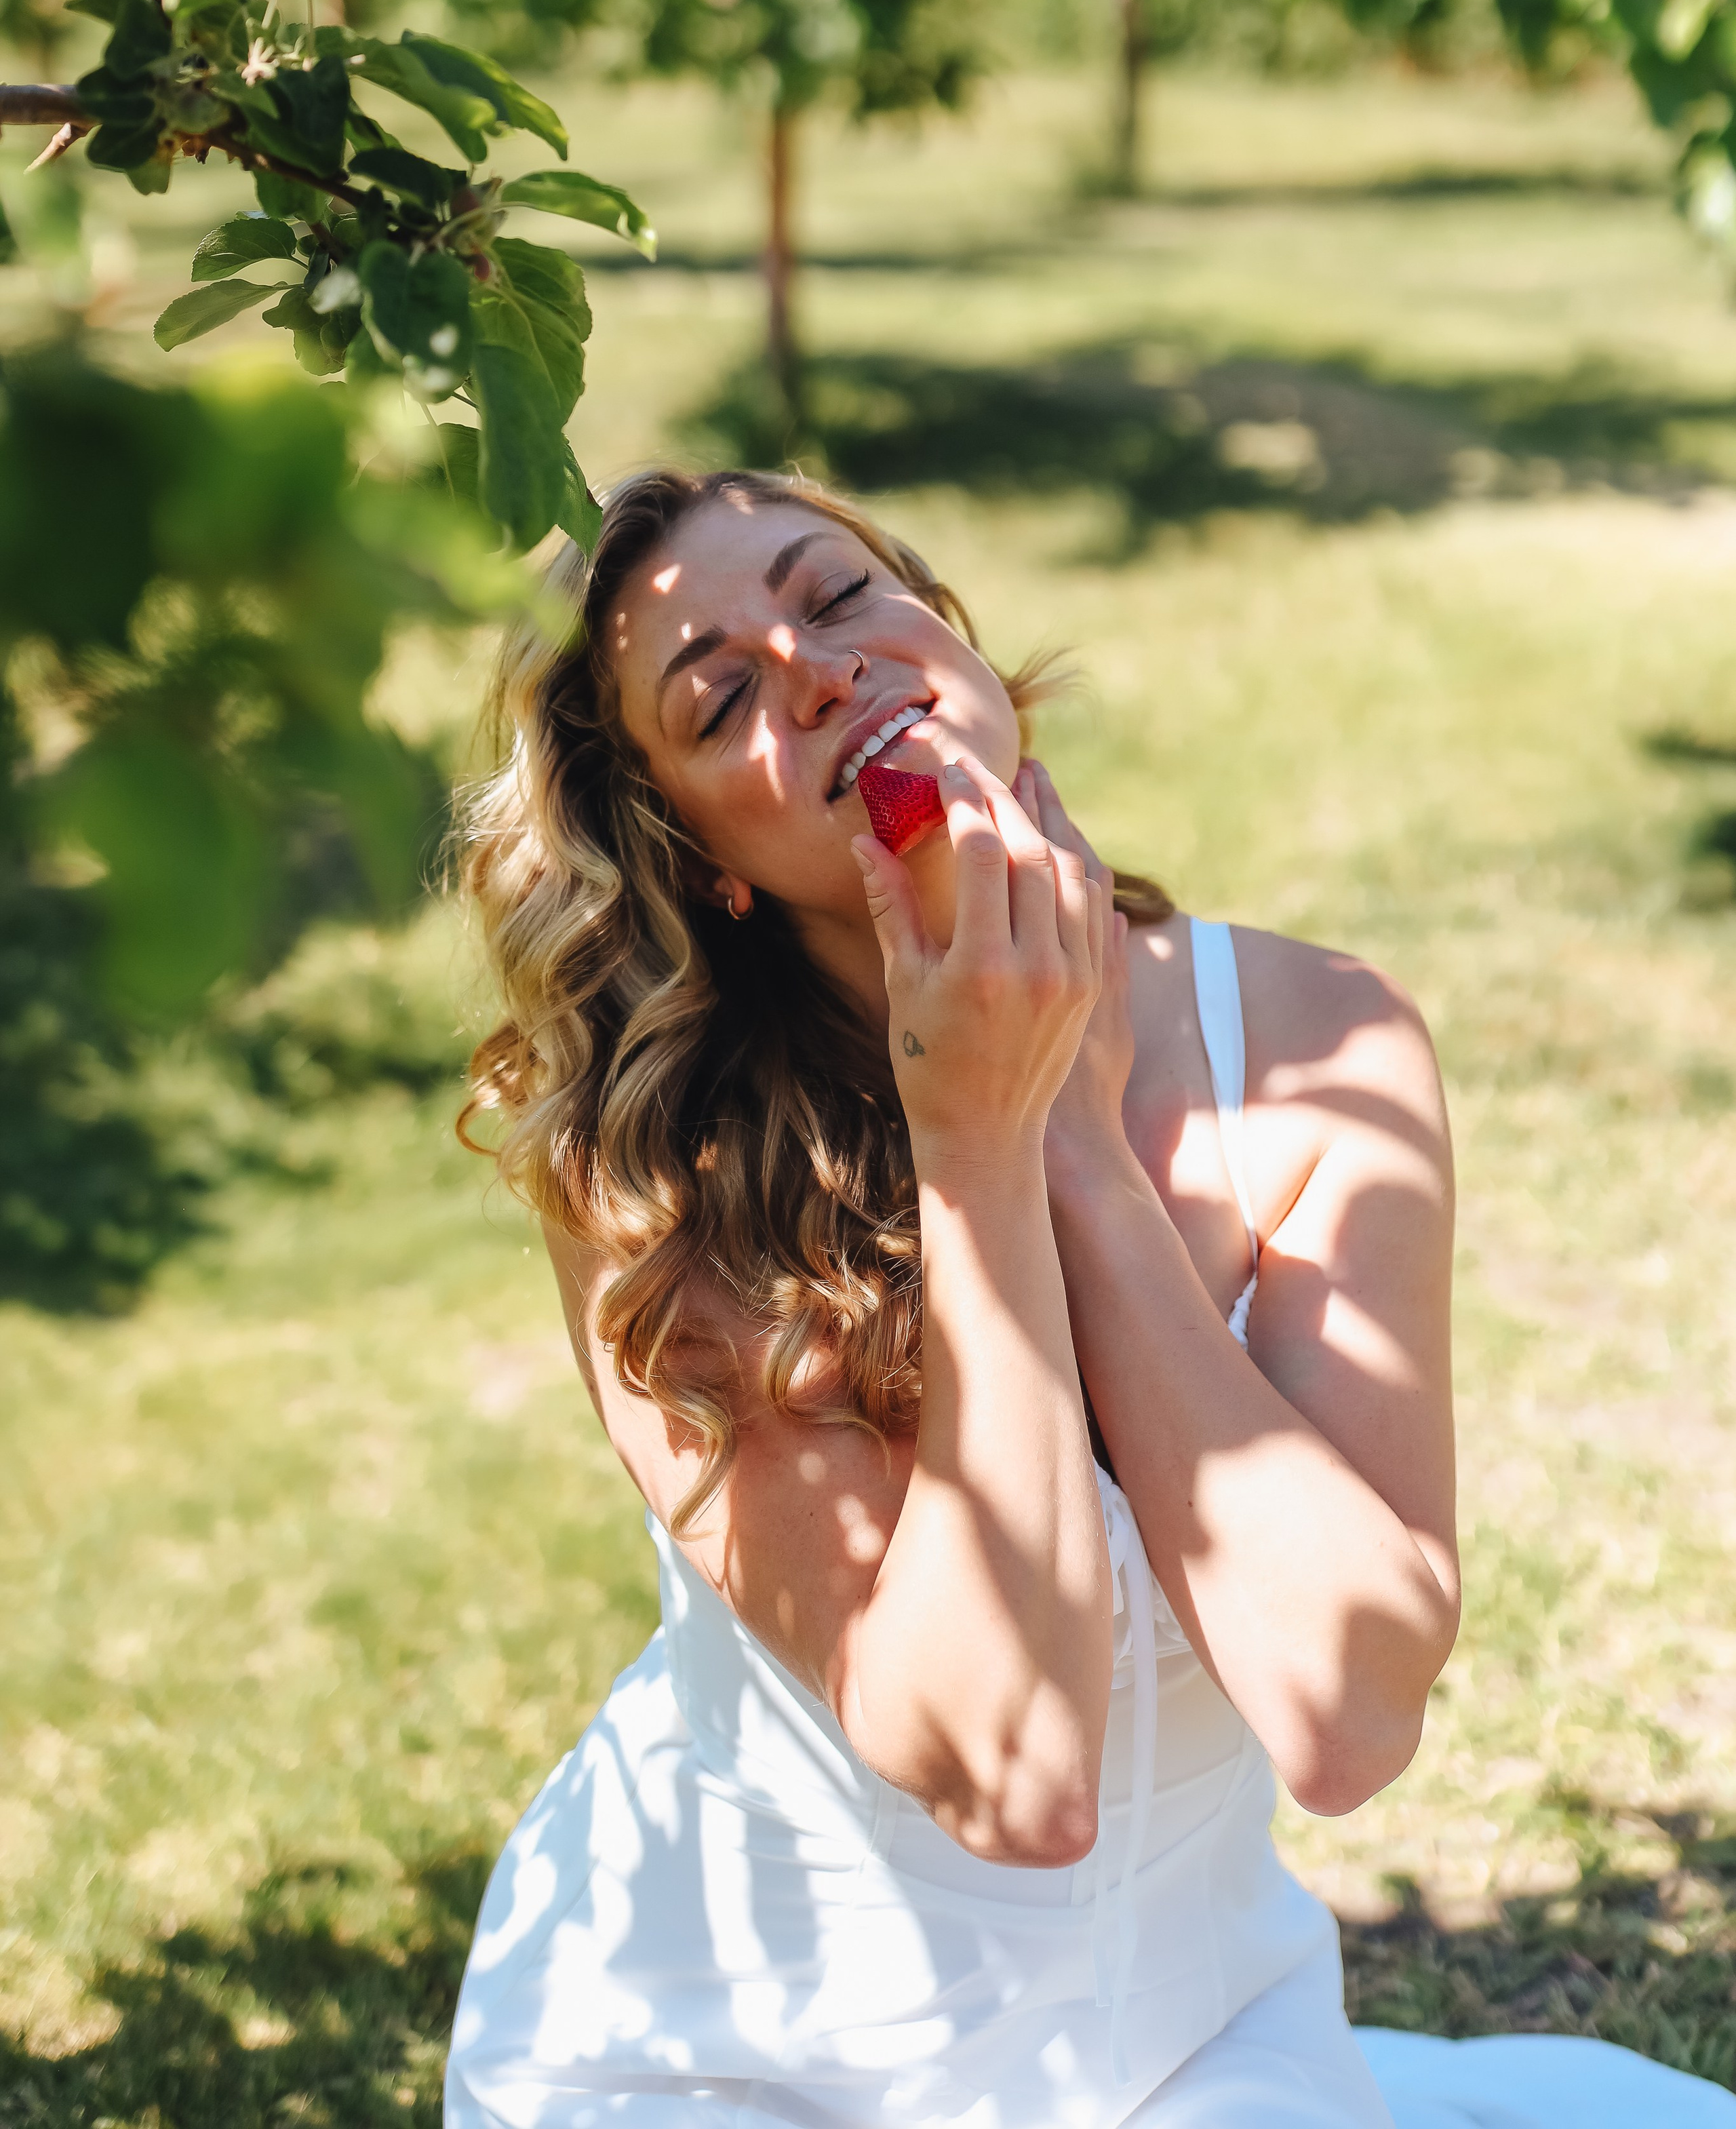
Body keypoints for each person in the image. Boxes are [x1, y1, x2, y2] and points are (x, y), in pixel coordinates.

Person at [446, 467, 1733, 2129]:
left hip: (1182, 2042)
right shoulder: (657, 1170)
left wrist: (1082, 1159)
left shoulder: (1318, 1047)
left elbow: (1344, 1719)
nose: (819, 669)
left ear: (951, 640)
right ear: (704, 866)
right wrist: (973, 1149)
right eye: (723, 698)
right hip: (723, 2055)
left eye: (836, 598)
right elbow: (1016, 1774)